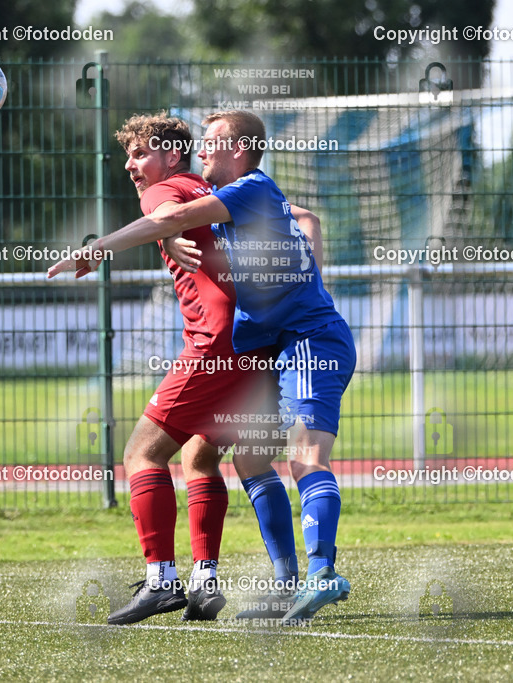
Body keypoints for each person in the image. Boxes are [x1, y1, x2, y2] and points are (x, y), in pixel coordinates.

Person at [50, 110, 356, 623]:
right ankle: (272, 583)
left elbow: (169, 213)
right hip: (263, 347)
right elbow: (303, 219)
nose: (201, 152)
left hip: (280, 343)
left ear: (236, 149)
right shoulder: (223, 195)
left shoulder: (212, 189)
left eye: (211, 143)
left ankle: (181, 580)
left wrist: (98, 250)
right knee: (239, 461)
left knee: (157, 454)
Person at [96, 112, 283, 625]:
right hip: (251, 341)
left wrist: (98, 249)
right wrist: (179, 230)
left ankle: (161, 581)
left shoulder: (162, 190)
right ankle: (205, 581)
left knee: (140, 454)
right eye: (128, 157)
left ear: (170, 155)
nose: (132, 167)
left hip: (215, 341)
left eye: (140, 155)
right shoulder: (208, 187)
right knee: (200, 459)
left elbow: (162, 212)